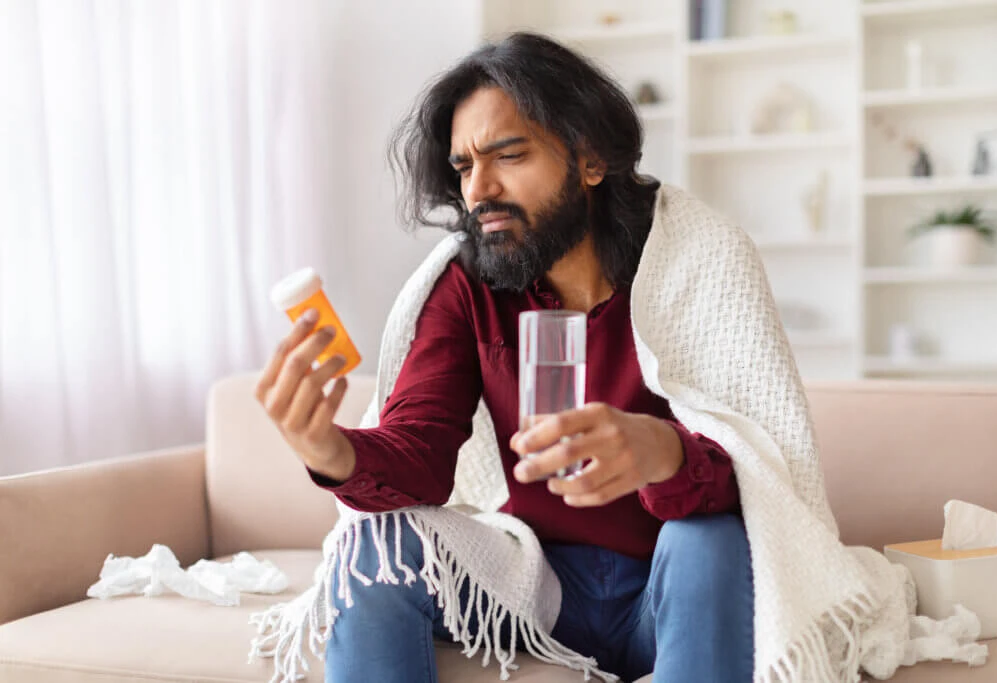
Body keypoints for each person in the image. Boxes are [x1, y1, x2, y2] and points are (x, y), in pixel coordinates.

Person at [254, 33, 754, 683]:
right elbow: (421, 452)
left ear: (591, 159)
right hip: (532, 589)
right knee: (372, 545)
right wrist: (329, 450)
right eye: (463, 167)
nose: (479, 189)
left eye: (508, 155)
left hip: (674, 585)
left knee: (705, 535)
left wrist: (663, 451)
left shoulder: (701, 262)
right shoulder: (467, 286)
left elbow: (763, 474)